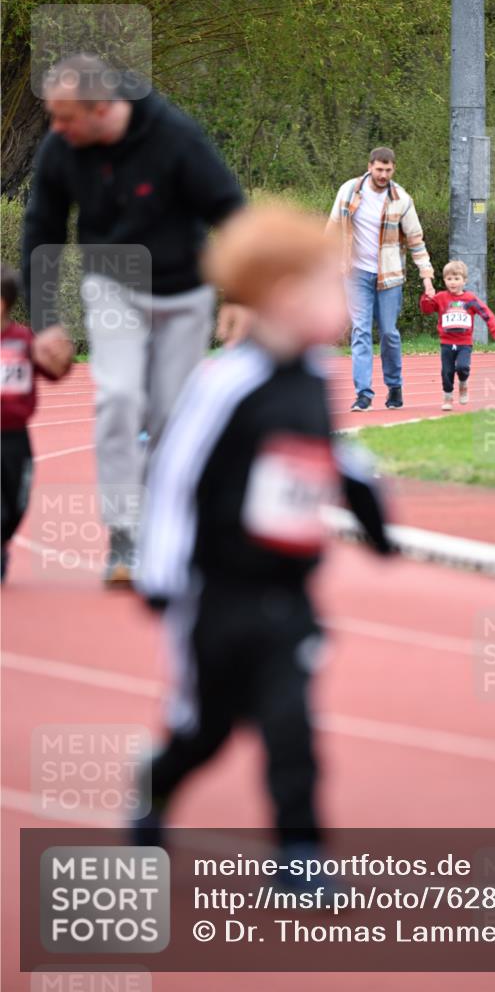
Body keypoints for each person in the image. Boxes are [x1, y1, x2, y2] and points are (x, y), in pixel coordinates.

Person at [133, 204, 393, 856]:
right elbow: (174, 476)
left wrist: (375, 520)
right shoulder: (225, 383)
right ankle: (158, 786)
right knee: (207, 728)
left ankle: (300, 851)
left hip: (287, 595)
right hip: (214, 592)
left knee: (290, 724)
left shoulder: (311, 377)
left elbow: (332, 453)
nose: (343, 300)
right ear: (283, 298)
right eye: (329, 286)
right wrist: (159, 574)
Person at [22, 54, 245, 585]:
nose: (55, 129)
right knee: (119, 398)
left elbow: (231, 210)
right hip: (113, 286)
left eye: (64, 117)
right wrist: (45, 322)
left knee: (170, 417)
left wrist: (241, 294)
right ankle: (126, 537)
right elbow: (42, 231)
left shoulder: (174, 137)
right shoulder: (62, 149)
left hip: (183, 294)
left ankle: (169, 531)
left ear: (101, 108)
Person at [327, 147, 435, 412]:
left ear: (393, 169)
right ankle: (363, 393)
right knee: (361, 331)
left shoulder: (402, 199)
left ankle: (394, 385)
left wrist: (427, 277)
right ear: (370, 167)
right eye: (379, 169)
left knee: (388, 332)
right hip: (355, 272)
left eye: (388, 170)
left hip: (390, 275)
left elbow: (415, 240)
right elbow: (332, 228)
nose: (383, 175)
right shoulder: (349, 191)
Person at [1, 264, 72, 581]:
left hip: (16, 438)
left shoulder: (24, 339)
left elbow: (55, 372)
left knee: (17, 500)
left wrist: (62, 358)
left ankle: (3, 539)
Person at [419, 259, 495, 410]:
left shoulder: (469, 299)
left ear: (464, 281)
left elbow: (485, 312)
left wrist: (494, 329)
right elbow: (427, 310)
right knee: (447, 371)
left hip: (464, 342)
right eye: (449, 279)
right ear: (444, 280)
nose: (453, 282)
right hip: (446, 342)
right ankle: (448, 397)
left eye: (457, 279)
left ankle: (463, 384)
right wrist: (426, 297)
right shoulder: (441, 297)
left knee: (463, 367)